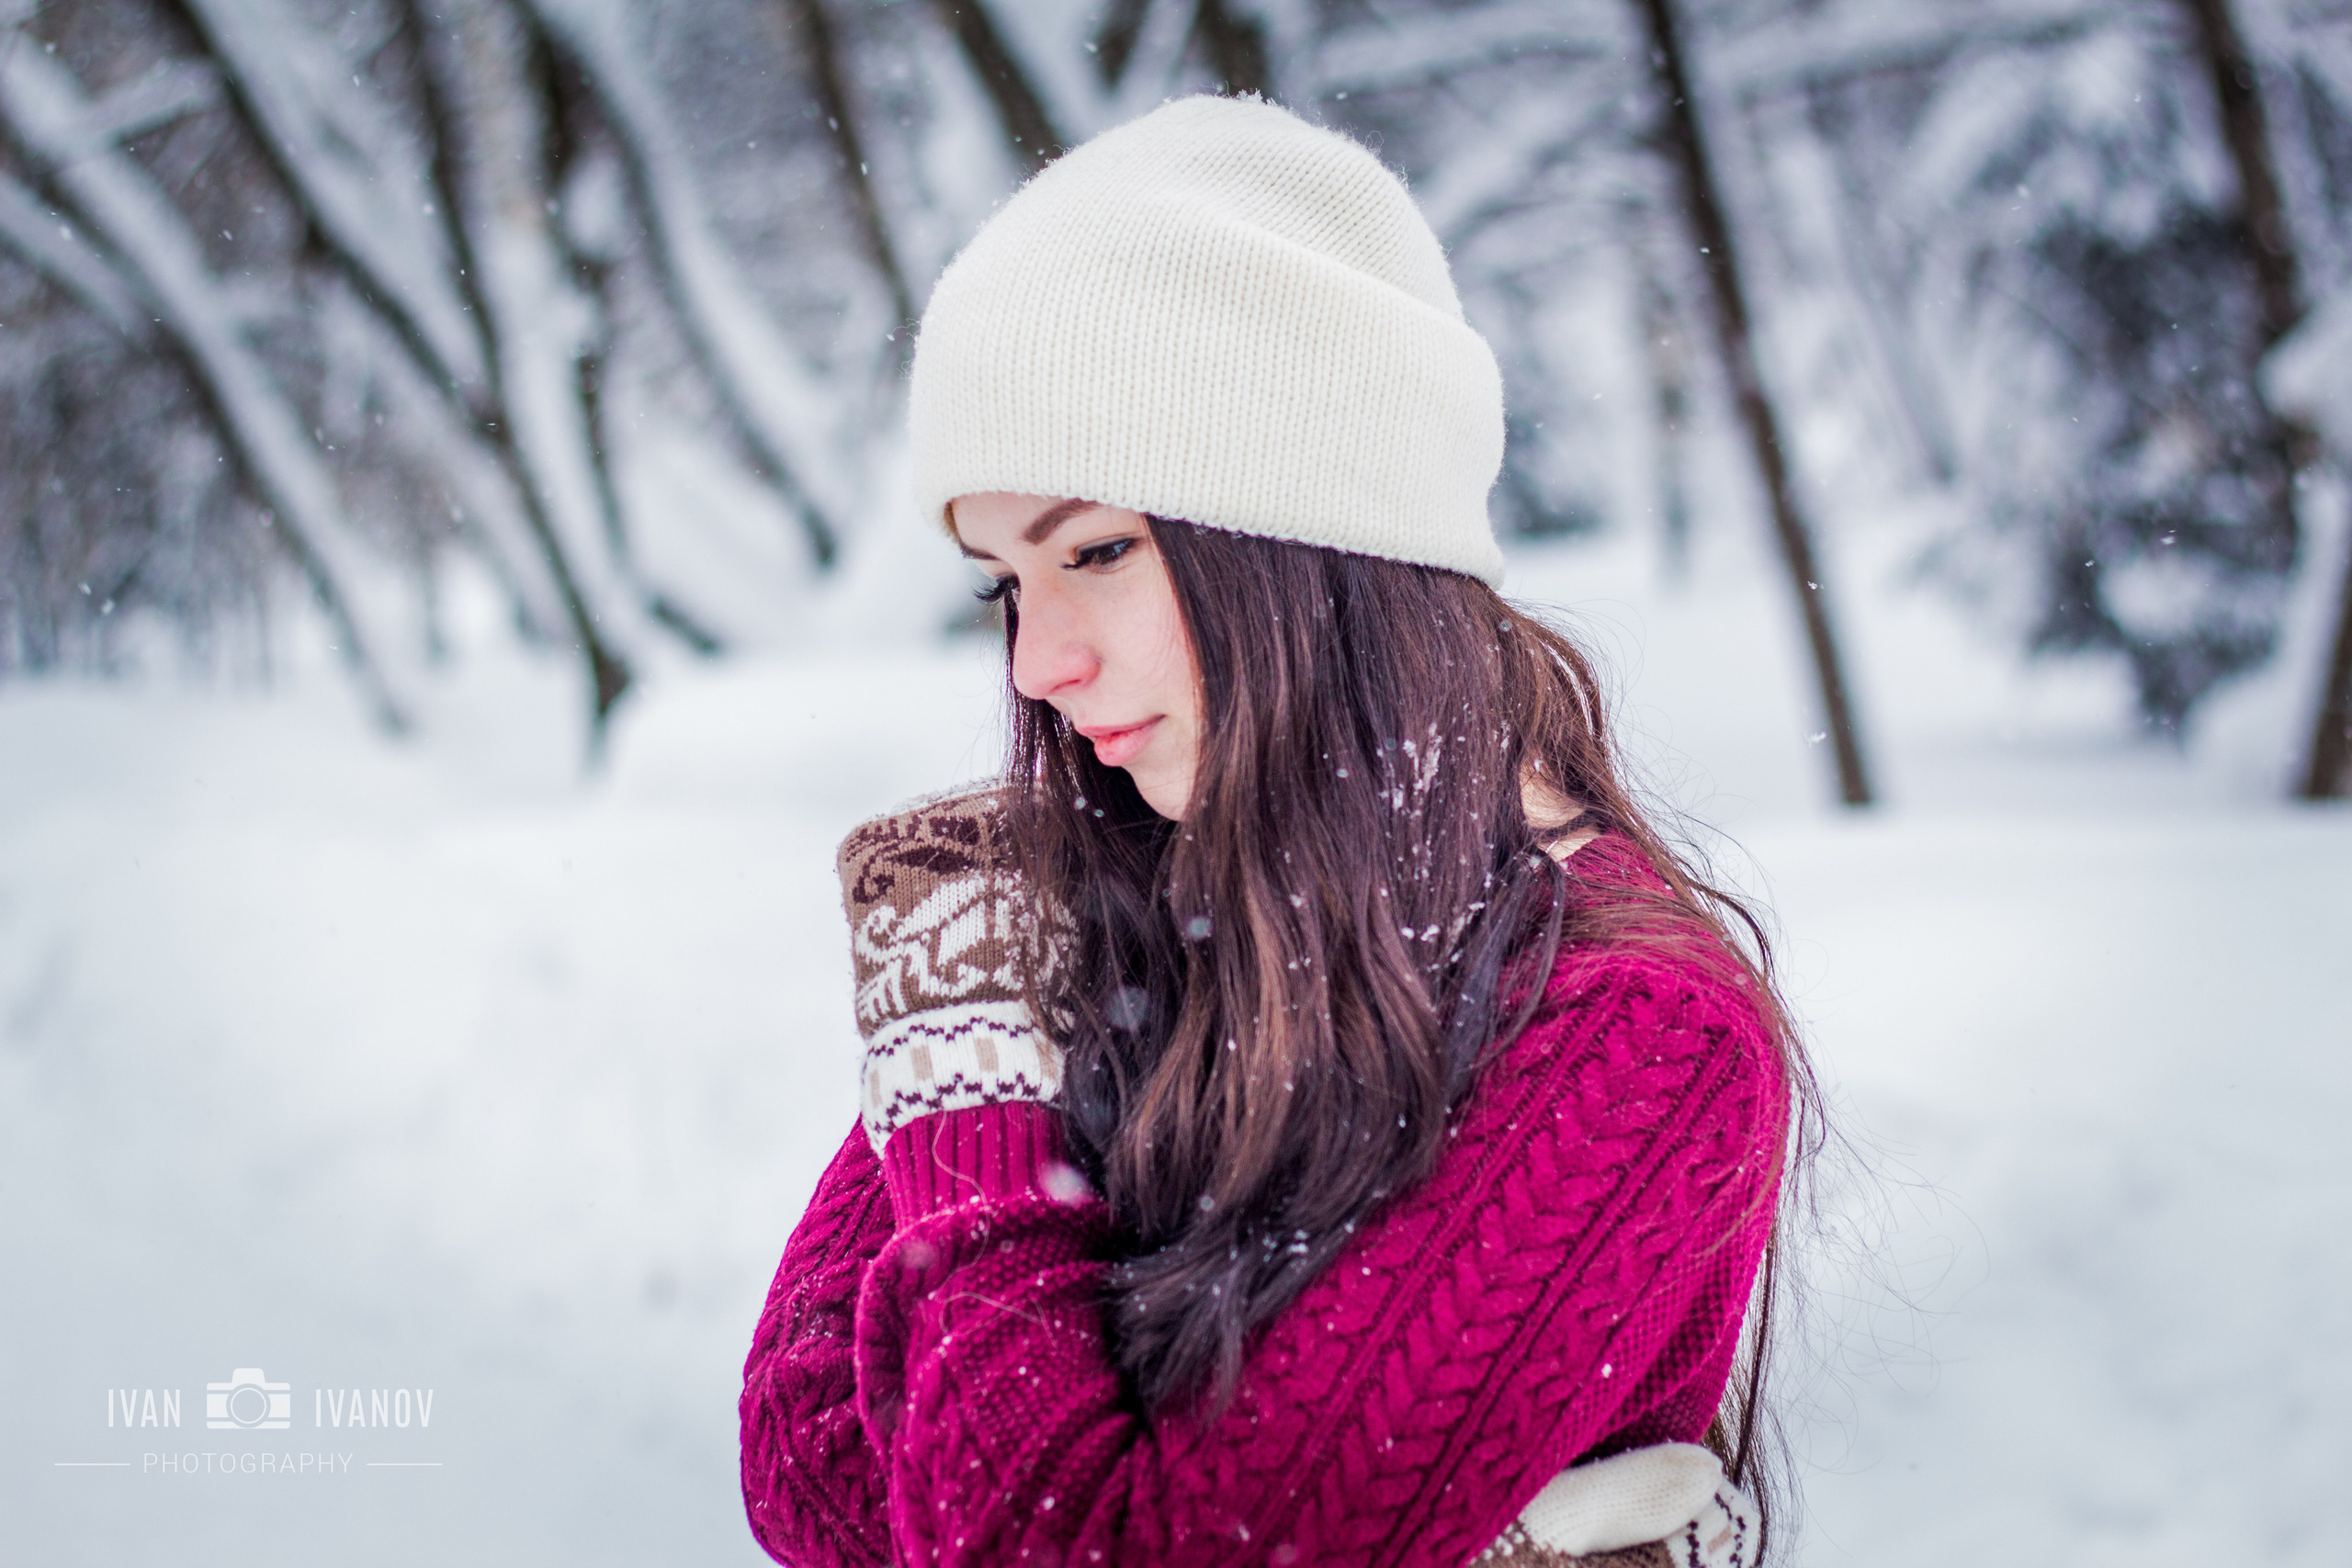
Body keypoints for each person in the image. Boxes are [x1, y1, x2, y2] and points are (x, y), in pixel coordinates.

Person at [740, 96, 1813, 1567]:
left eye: (1098, 551)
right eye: (1002, 583)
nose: (1034, 664)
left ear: (1319, 544)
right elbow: (806, 1460)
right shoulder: (1124, 911)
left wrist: (973, 1107)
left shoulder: (1639, 1029)